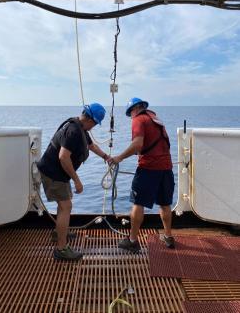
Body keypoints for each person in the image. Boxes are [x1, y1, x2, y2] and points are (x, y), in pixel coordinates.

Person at [37, 103, 109, 261]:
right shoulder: (74, 131)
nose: (94, 127)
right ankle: (61, 249)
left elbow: (90, 146)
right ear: (90, 119)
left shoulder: (80, 127)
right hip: (53, 173)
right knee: (66, 206)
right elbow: (63, 157)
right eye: (95, 123)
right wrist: (77, 180)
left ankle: (59, 232)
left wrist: (106, 157)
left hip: (59, 173)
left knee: (65, 204)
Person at [108, 97, 175, 252]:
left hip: (149, 168)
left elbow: (137, 144)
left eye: (130, 113)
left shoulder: (138, 119)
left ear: (134, 109)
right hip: (166, 168)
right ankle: (168, 237)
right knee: (165, 204)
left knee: (138, 203)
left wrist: (119, 157)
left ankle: (132, 241)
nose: (131, 116)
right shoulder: (155, 118)